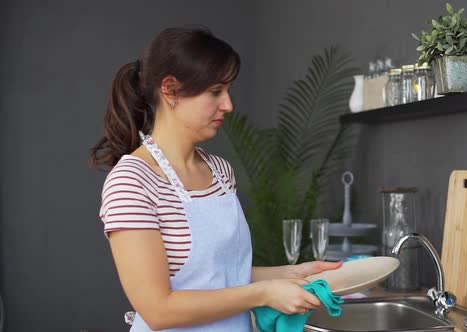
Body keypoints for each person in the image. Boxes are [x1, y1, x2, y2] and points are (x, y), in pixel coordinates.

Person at [89, 26, 342, 331]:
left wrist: (291, 273)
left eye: (228, 90)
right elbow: (158, 309)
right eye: (215, 91)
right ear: (170, 90)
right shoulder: (132, 181)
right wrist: (264, 293)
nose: (228, 105)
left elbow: (223, 277)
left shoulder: (220, 172)